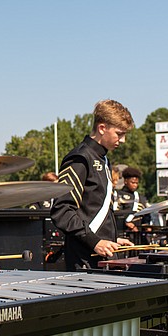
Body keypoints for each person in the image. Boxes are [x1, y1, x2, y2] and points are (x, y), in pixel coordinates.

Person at [51, 99, 135, 271]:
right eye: (119, 134)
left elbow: (92, 210)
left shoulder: (103, 159)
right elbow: (62, 211)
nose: (123, 140)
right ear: (102, 128)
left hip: (100, 254)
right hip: (84, 258)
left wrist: (111, 237)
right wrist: (94, 241)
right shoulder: (80, 158)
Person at [114, 166, 149, 239]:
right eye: (132, 182)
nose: (135, 185)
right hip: (123, 233)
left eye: (136, 183)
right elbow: (115, 213)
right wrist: (127, 223)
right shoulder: (118, 194)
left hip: (138, 234)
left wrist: (147, 226)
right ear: (126, 181)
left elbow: (146, 215)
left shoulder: (140, 197)